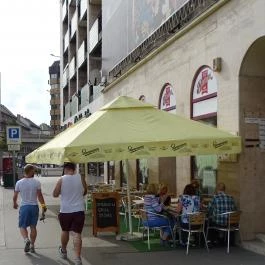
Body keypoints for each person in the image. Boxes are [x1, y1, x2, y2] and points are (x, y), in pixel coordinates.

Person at [53, 162, 87, 265]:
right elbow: (85, 191)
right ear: (74, 169)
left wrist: (62, 191)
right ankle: (77, 259)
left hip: (65, 210)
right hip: (79, 210)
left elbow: (54, 194)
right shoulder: (81, 177)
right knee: (77, 234)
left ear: (65, 169)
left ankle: (63, 251)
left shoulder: (61, 179)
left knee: (65, 231)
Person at [13, 164, 47, 253]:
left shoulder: (19, 182)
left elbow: (15, 195)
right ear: (32, 172)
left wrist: (14, 204)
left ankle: (26, 240)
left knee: (22, 226)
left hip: (24, 207)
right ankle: (32, 245)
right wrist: (43, 206)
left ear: (25, 171)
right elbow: (40, 196)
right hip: (34, 207)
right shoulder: (37, 182)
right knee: (33, 227)